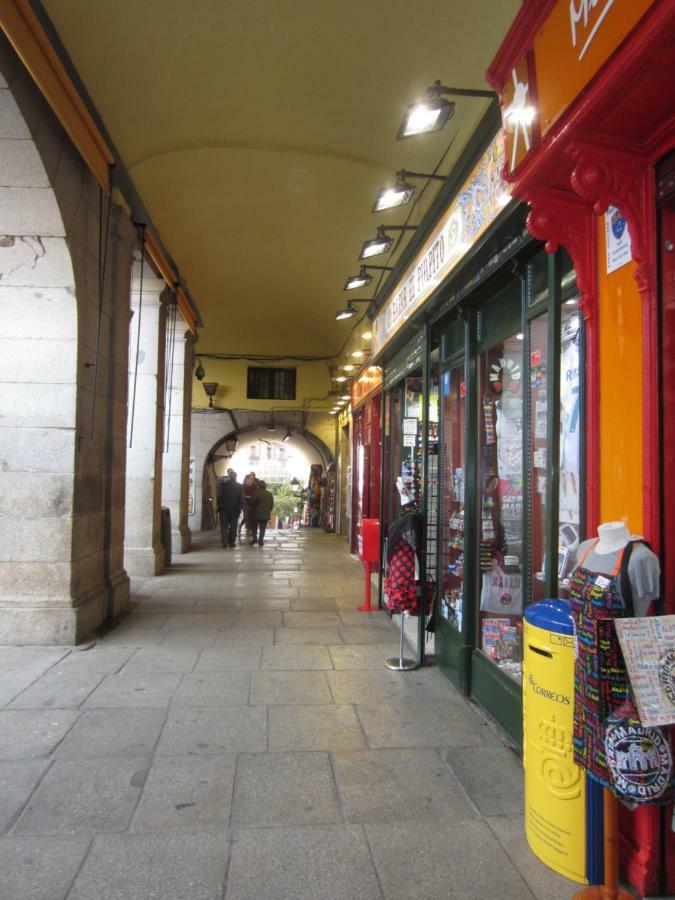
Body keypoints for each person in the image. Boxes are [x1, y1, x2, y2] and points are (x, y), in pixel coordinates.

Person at [216, 469, 244, 548]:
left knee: (224, 527)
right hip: (235, 510)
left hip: (223, 510)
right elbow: (242, 499)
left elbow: (219, 497)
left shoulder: (223, 485)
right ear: (236, 477)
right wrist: (240, 508)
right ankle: (232, 542)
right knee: (233, 526)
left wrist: (219, 505)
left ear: (229, 477)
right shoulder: (239, 486)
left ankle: (224, 542)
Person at [250, 480, 274, 546]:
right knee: (263, 528)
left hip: (256, 514)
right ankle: (261, 541)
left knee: (254, 526)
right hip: (266, 514)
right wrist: (268, 511)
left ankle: (255, 538)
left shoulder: (257, 493)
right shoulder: (269, 494)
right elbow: (271, 505)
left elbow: (252, 501)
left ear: (258, 486)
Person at [239, 472, 258, 538]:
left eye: (253, 478)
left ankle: (249, 529)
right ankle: (240, 526)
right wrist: (246, 497)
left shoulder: (254, 486)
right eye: (251, 478)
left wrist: (252, 497)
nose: (252, 480)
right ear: (247, 479)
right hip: (245, 503)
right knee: (246, 516)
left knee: (251, 516)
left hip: (252, 503)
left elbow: (256, 494)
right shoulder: (243, 486)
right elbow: (242, 495)